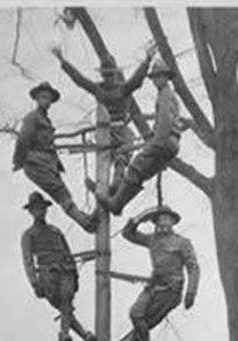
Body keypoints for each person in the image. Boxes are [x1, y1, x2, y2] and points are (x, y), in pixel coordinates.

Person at [104, 204, 199, 341]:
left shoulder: (182, 242)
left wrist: (191, 292)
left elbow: (193, 267)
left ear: (173, 222)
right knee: (135, 314)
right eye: (159, 221)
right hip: (153, 286)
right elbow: (128, 234)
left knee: (146, 323)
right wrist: (140, 217)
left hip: (171, 290)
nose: (162, 224)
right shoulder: (152, 240)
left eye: (166, 221)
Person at [52, 45, 155, 190]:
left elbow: (137, 79)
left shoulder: (121, 89)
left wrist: (147, 61)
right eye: (106, 75)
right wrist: (63, 61)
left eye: (110, 75)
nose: (108, 78)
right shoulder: (100, 90)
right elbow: (80, 80)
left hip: (121, 129)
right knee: (105, 158)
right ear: (102, 76)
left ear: (115, 74)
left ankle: (116, 183)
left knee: (122, 156)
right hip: (105, 130)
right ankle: (102, 186)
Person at [96, 59, 184, 216]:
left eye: (161, 77)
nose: (157, 80)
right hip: (171, 144)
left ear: (166, 77)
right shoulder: (167, 94)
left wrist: (155, 143)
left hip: (165, 141)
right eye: (155, 77)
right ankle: (117, 203)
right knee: (140, 173)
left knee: (136, 164)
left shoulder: (165, 94)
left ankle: (116, 202)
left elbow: (165, 120)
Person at [12, 81, 96, 233]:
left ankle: (83, 219)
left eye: (49, 98)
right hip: (35, 163)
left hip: (47, 163)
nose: (46, 101)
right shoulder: (32, 118)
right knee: (61, 193)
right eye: (43, 97)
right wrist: (19, 161)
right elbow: (23, 139)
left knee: (64, 193)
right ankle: (85, 223)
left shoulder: (45, 120)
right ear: (36, 99)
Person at [20, 192, 96, 341]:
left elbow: (67, 252)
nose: (40, 211)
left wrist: (75, 275)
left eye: (42, 208)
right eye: (36, 209)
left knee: (67, 296)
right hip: (48, 275)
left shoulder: (55, 231)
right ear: (31, 212)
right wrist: (34, 283)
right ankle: (82, 334)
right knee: (64, 306)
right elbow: (28, 260)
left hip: (65, 270)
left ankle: (65, 333)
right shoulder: (28, 235)